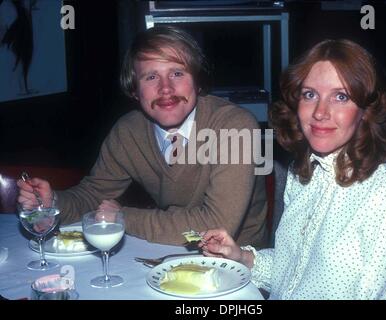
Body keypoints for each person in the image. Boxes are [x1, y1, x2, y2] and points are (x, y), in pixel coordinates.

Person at [200, 39, 386, 299]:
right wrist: (241, 256)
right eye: (310, 94)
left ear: (366, 111)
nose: (320, 112)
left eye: (341, 96)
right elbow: (293, 276)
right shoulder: (302, 174)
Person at [17, 25, 268, 247]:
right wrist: (53, 202)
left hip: (239, 263)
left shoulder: (235, 126)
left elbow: (217, 225)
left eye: (177, 73)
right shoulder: (128, 132)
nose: (166, 88)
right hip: (168, 249)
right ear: (135, 91)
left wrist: (124, 218)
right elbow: (94, 196)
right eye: (151, 77)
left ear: (197, 82)